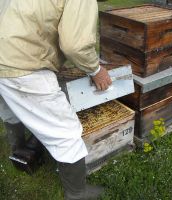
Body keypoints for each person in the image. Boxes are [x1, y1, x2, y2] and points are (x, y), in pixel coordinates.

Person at [0, 0, 112, 199]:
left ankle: (21, 151)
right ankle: (77, 193)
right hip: (24, 65)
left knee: (10, 107)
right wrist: (96, 70)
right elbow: (75, 45)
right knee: (66, 133)